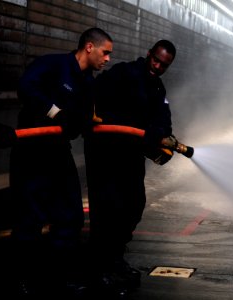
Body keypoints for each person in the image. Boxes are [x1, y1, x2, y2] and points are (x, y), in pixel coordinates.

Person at [9, 27, 113, 298]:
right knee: (29, 219)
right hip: (31, 151)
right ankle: (23, 281)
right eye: (105, 52)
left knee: (71, 217)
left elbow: (80, 120)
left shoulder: (88, 83)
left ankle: (57, 278)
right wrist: (56, 113)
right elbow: (26, 87)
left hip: (57, 151)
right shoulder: (52, 64)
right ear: (89, 47)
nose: (107, 59)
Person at [84, 39, 178, 296]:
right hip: (105, 153)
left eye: (164, 65)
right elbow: (95, 96)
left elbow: (163, 118)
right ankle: (98, 269)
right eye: (155, 60)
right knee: (107, 210)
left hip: (130, 156)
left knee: (134, 204)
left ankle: (115, 259)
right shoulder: (123, 73)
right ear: (148, 54)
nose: (157, 66)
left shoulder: (158, 88)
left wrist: (162, 140)